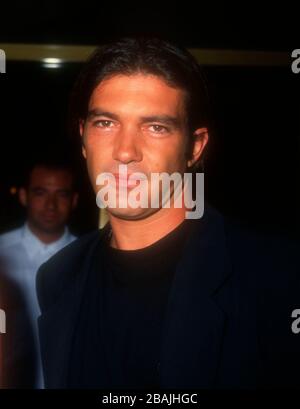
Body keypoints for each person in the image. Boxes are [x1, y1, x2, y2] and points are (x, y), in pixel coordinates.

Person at [37, 37, 300, 389]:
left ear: (194, 147)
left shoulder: (276, 275)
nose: (125, 151)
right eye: (106, 123)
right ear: (83, 135)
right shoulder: (58, 276)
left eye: (155, 127)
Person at [0, 159, 78, 388]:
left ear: (74, 201)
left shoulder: (90, 261)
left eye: (61, 194)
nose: (51, 205)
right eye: (41, 193)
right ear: (24, 196)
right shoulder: (2, 255)